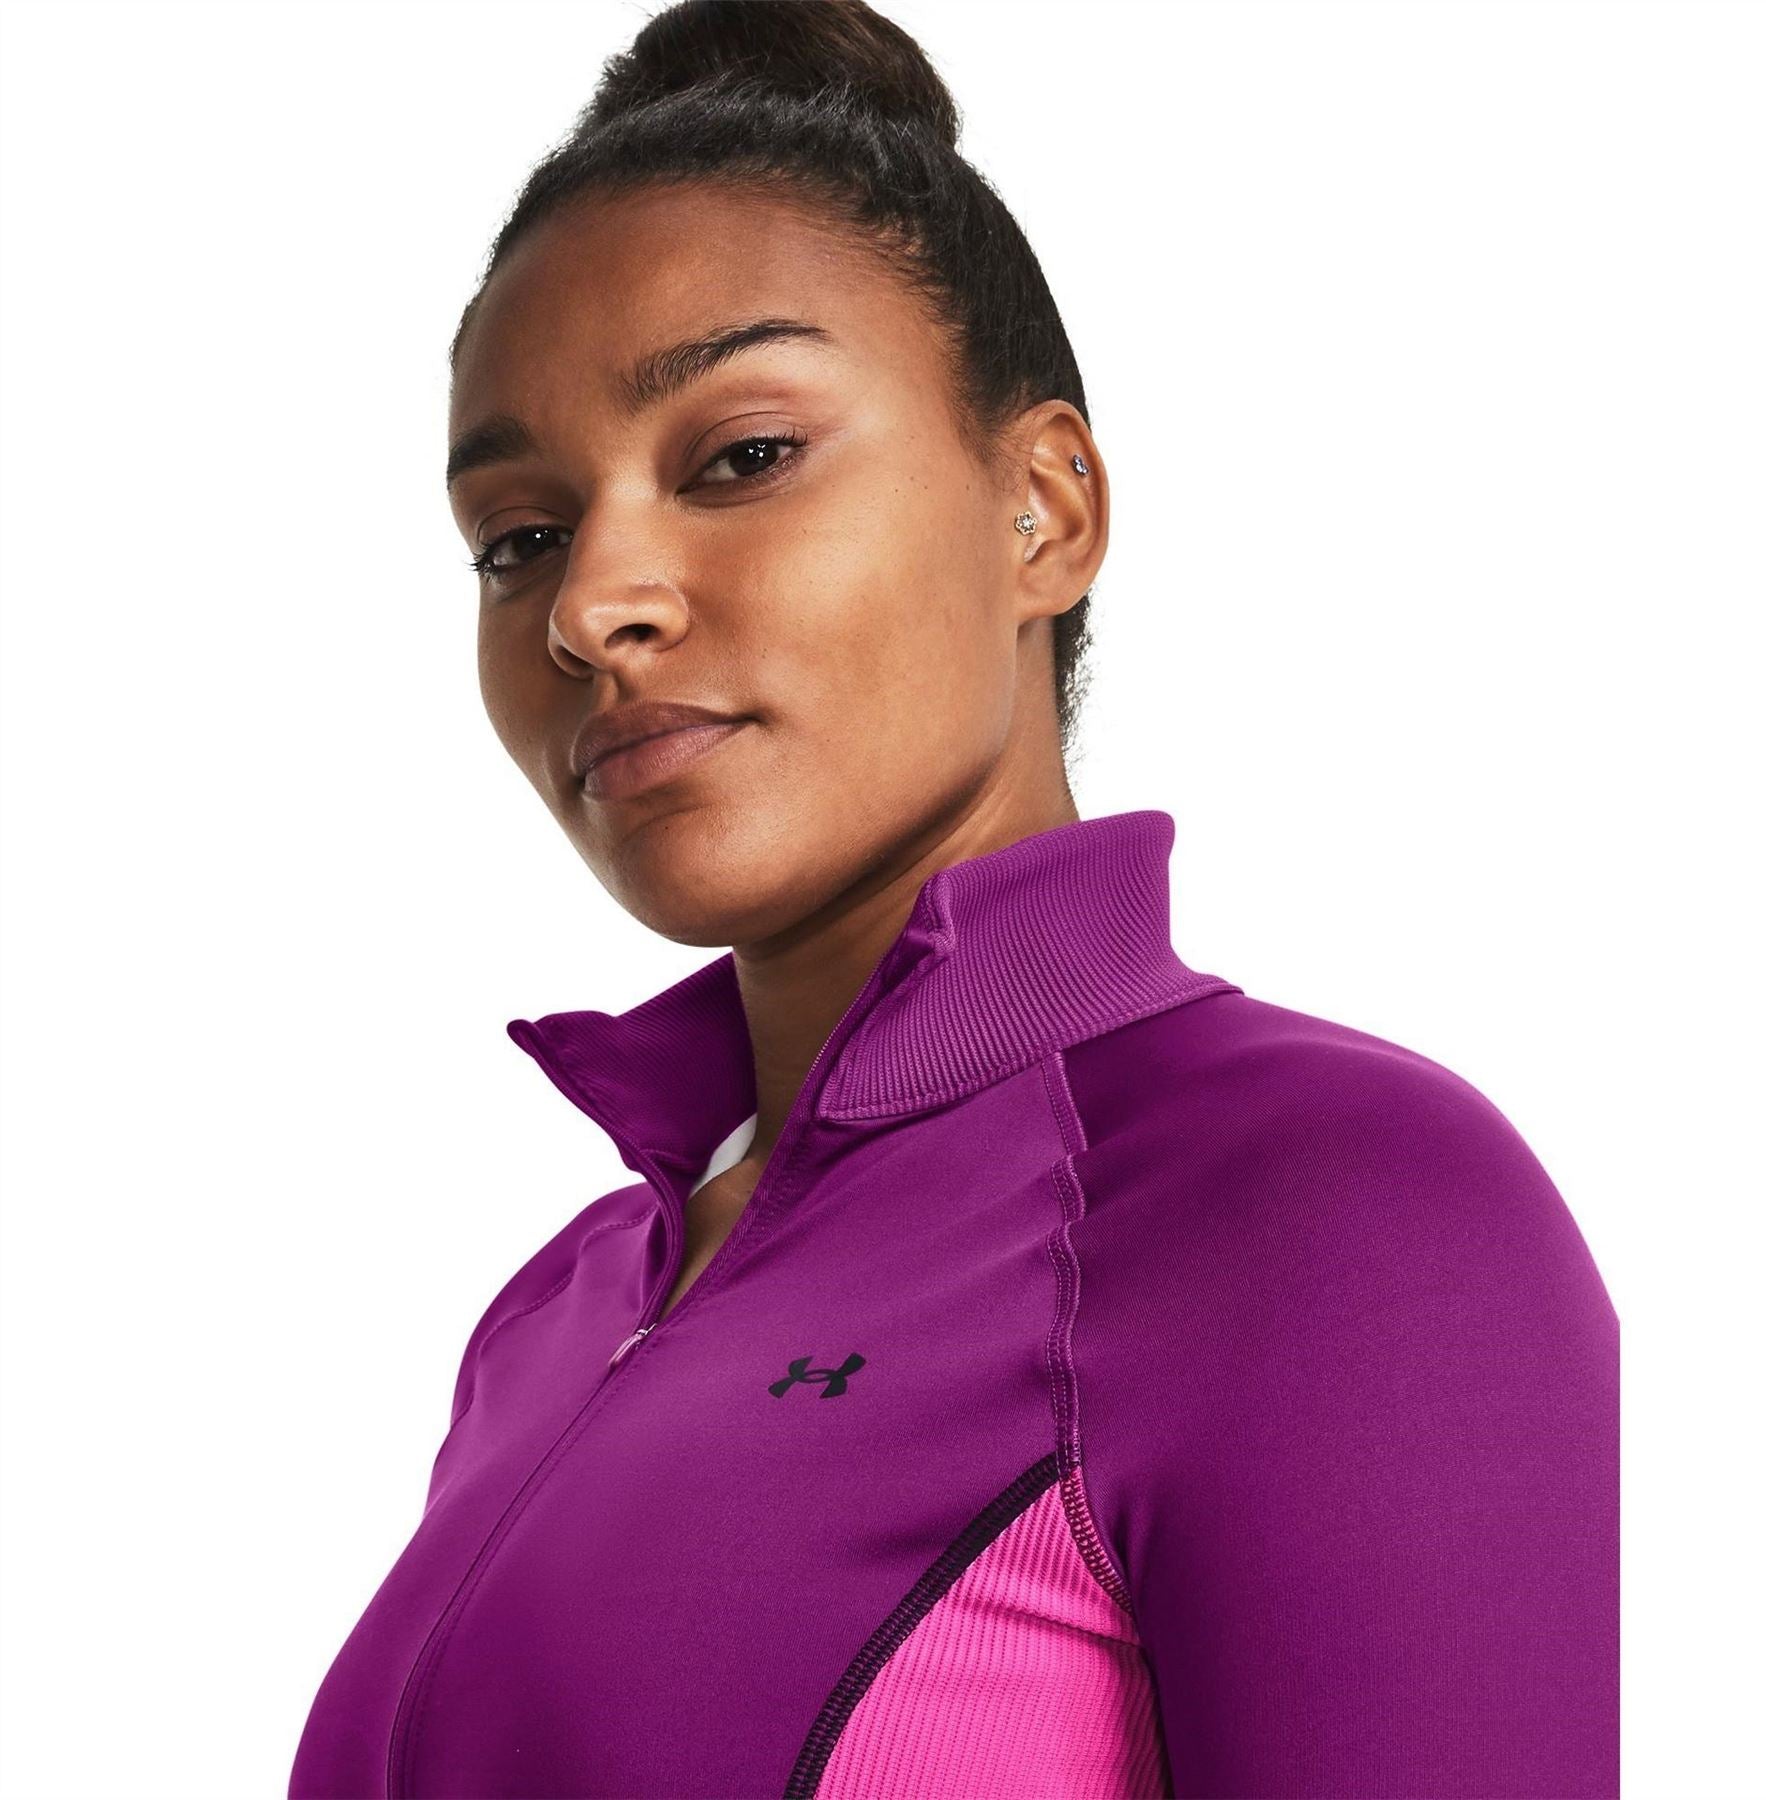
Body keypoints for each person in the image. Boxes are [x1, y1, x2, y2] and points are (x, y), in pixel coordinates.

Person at [287, 3, 1619, 1795]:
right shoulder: (560, 1310)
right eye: (519, 537)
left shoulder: (1336, 1203)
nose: (592, 605)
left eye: (742, 456)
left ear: (1042, 509)